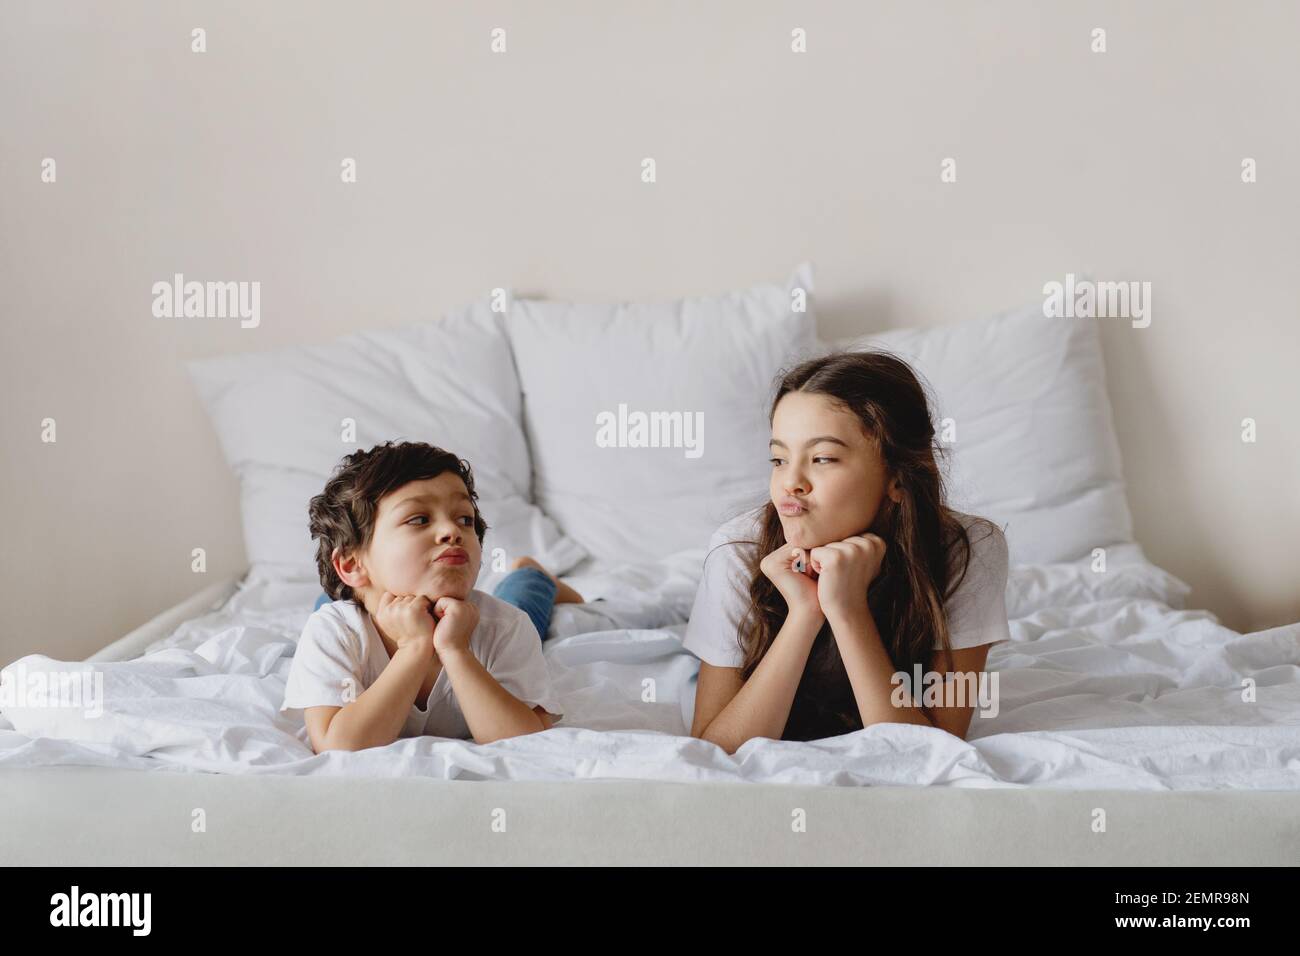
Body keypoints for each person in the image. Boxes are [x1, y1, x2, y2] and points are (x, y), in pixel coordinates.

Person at [683, 351, 1011, 752]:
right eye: (779, 459)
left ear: (897, 477)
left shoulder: (968, 547)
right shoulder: (740, 549)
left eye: (822, 458)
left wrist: (847, 609)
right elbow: (714, 749)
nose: (791, 482)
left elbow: (929, 752)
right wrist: (805, 613)